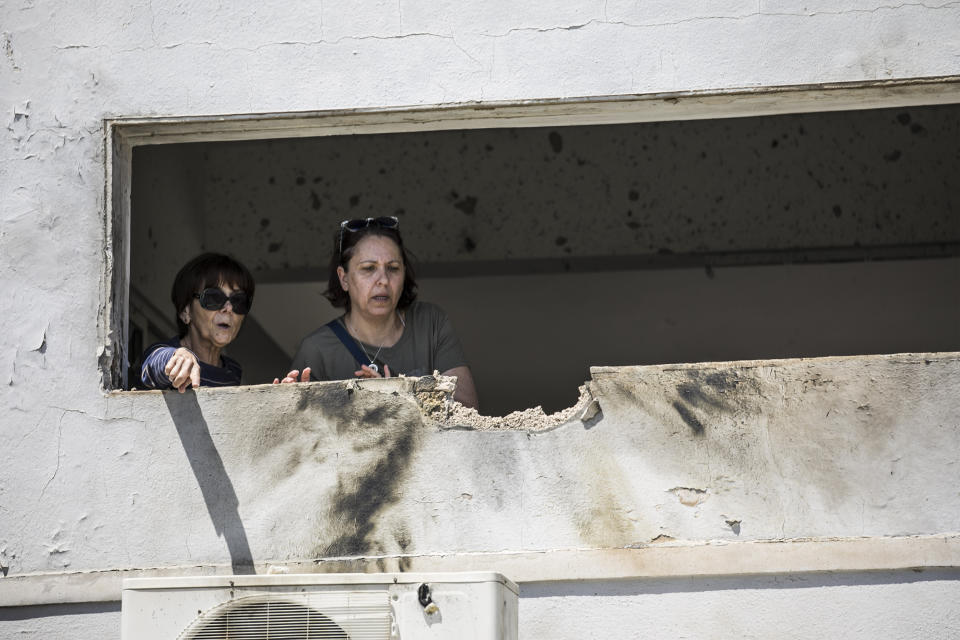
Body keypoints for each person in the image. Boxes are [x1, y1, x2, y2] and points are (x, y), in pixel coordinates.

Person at [276, 216, 479, 410]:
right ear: (344, 278)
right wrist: (292, 410)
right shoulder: (316, 350)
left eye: (393, 268)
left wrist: (397, 397)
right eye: (369, 268)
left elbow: (468, 410)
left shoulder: (430, 323)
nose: (383, 280)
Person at [140, 253, 255, 392]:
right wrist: (178, 358)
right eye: (213, 298)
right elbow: (153, 366)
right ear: (185, 312)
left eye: (238, 301)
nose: (228, 308)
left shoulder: (233, 371)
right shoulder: (162, 353)